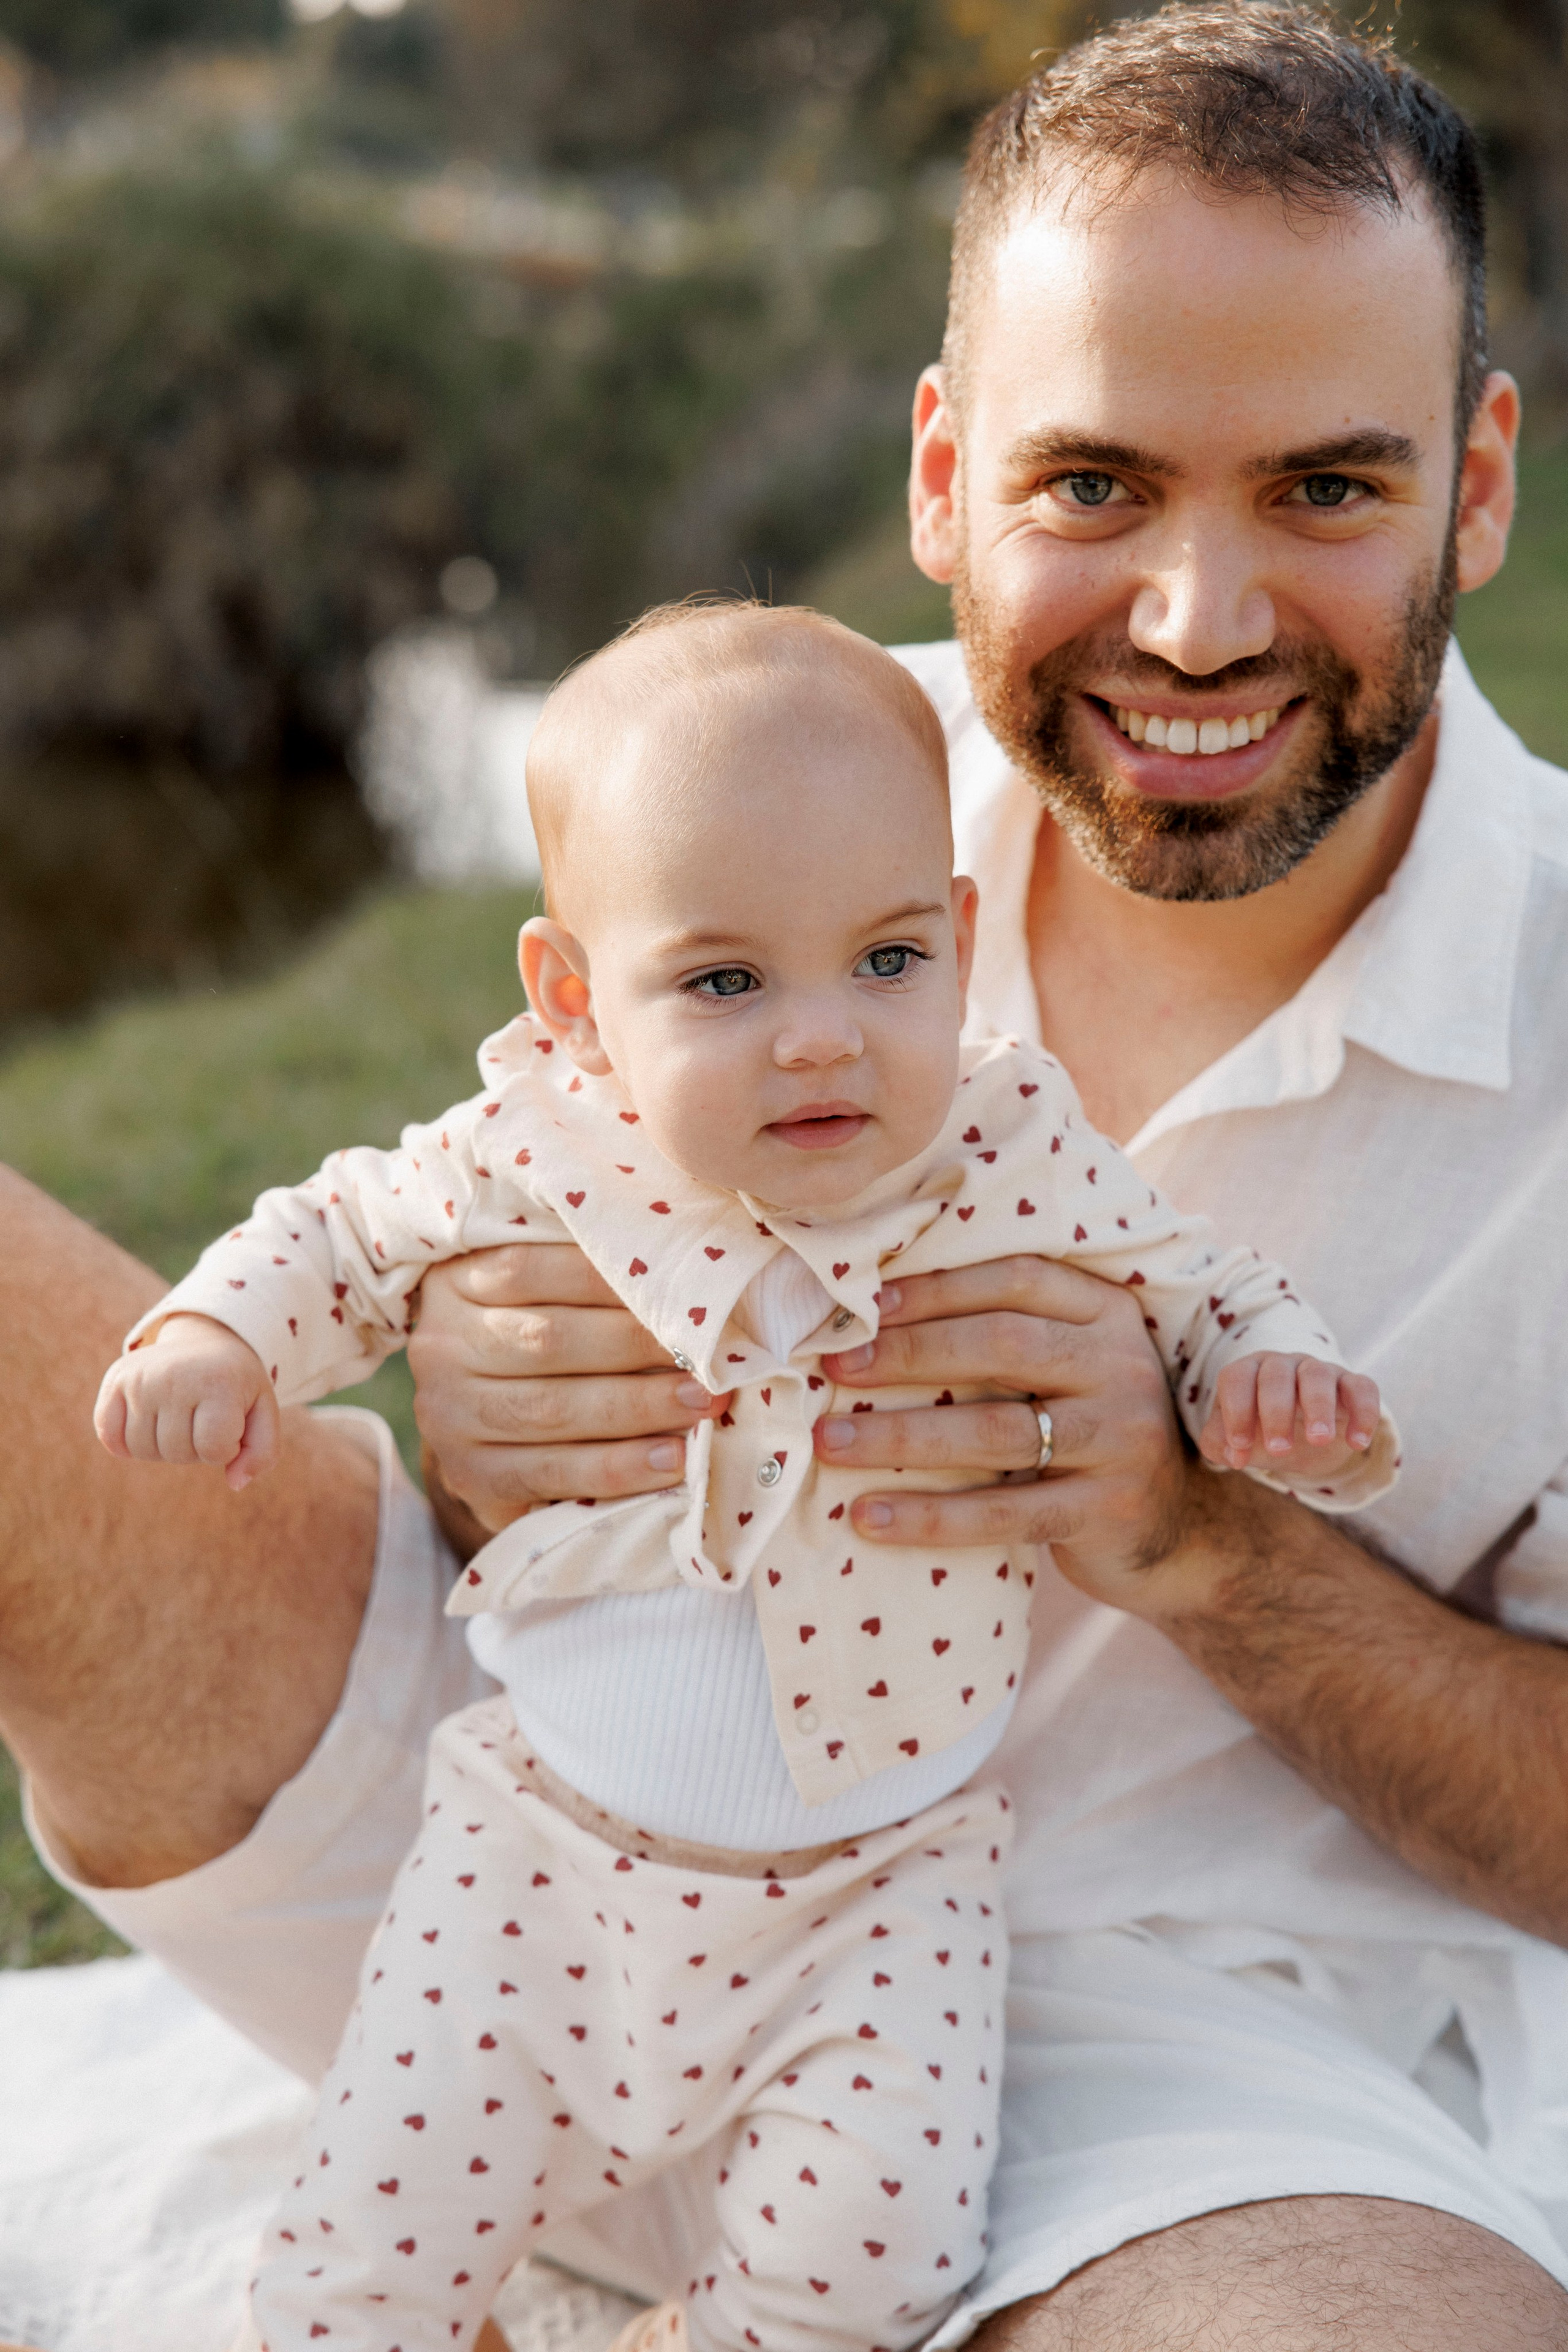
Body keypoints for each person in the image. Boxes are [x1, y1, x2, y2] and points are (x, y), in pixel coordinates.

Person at [4, 3, 1568, 2345]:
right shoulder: (759, 773)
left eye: (1326, 491)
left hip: (1172, 2079)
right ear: (945, 473)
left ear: (1477, 485)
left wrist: (1208, 1544)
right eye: (1096, 487)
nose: (1198, 622)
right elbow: (467, 1185)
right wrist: (476, 1419)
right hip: (503, 1837)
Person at [96, 598, 1390, 2352]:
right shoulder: (542, 1147)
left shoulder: (1002, 1152)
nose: (820, 1038)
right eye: (723, 981)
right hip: (543, 1864)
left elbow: (1193, 1273)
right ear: (574, 1000)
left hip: (884, 1886)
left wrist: (1270, 1370)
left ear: (954, 939)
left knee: (872, 2263)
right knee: (362, 2257)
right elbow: (338, 1231)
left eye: (883, 964)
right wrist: (212, 1339)